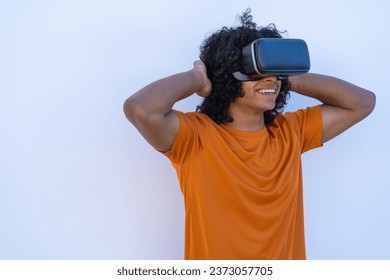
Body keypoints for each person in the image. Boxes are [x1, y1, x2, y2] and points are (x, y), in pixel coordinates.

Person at [123, 10, 375, 260]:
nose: (270, 80)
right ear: (227, 78)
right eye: (254, 71)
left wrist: (283, 73)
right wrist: (198, 78)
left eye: (273, 72)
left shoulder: (290, 133)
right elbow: (141, 110)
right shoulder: (196, 137)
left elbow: (362, 102)